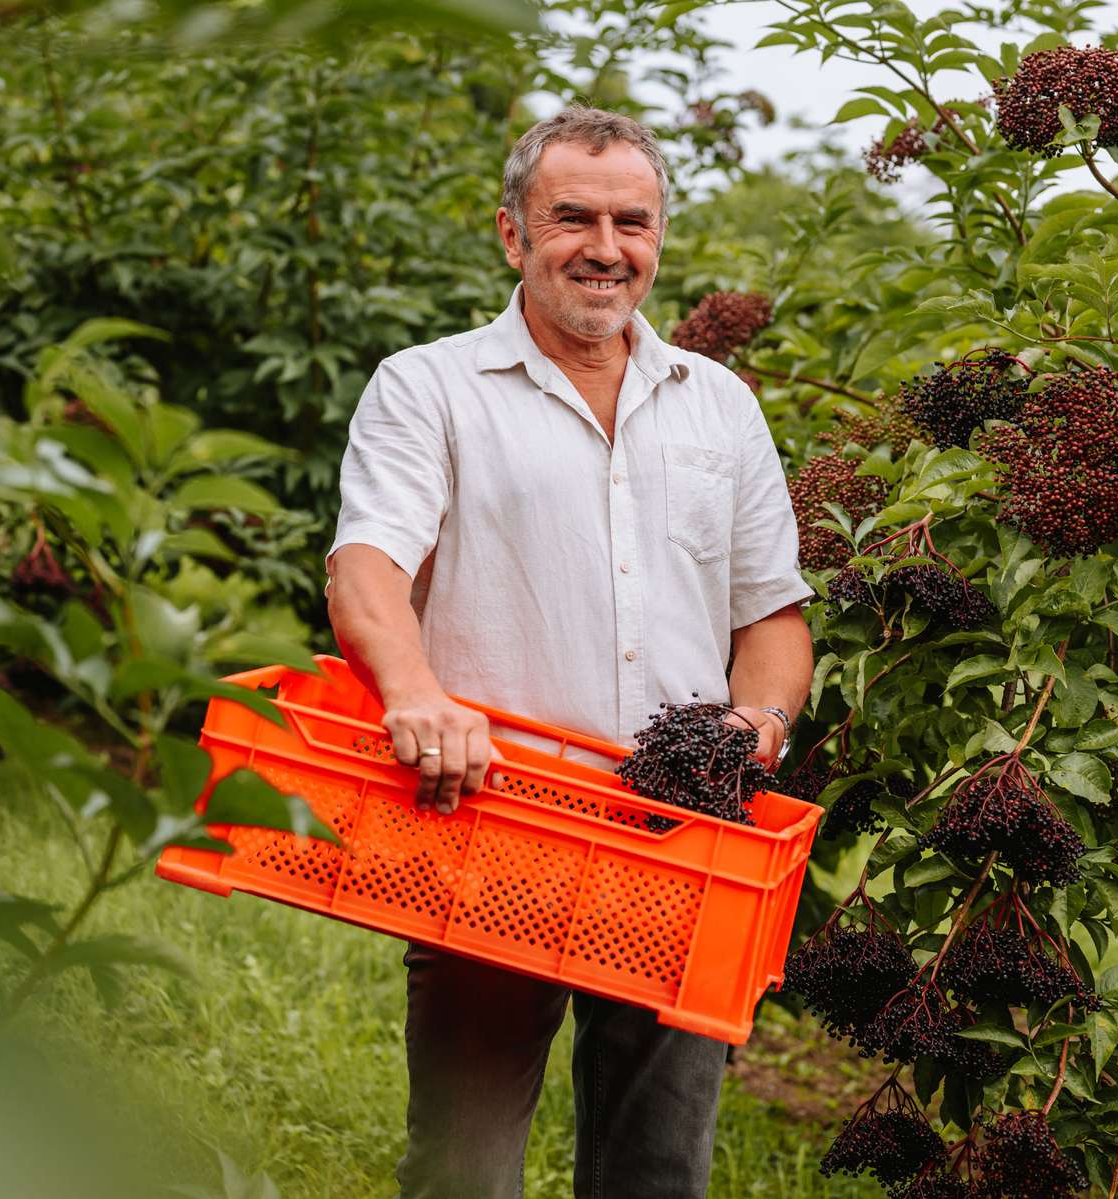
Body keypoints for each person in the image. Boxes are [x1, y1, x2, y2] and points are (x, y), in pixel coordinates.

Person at [324, 106, 816, 1199]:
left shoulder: (720, 405)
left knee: (658, 1166)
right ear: (512, 234)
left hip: (679, 833)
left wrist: (758, 724)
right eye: (573, 217)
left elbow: (773, 615)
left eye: (631, 221)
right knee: (464, 1163)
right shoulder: (430, 388)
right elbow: (366, 569)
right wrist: (413, 693)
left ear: (659, 238)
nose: (606, 246)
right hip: (496, 819)